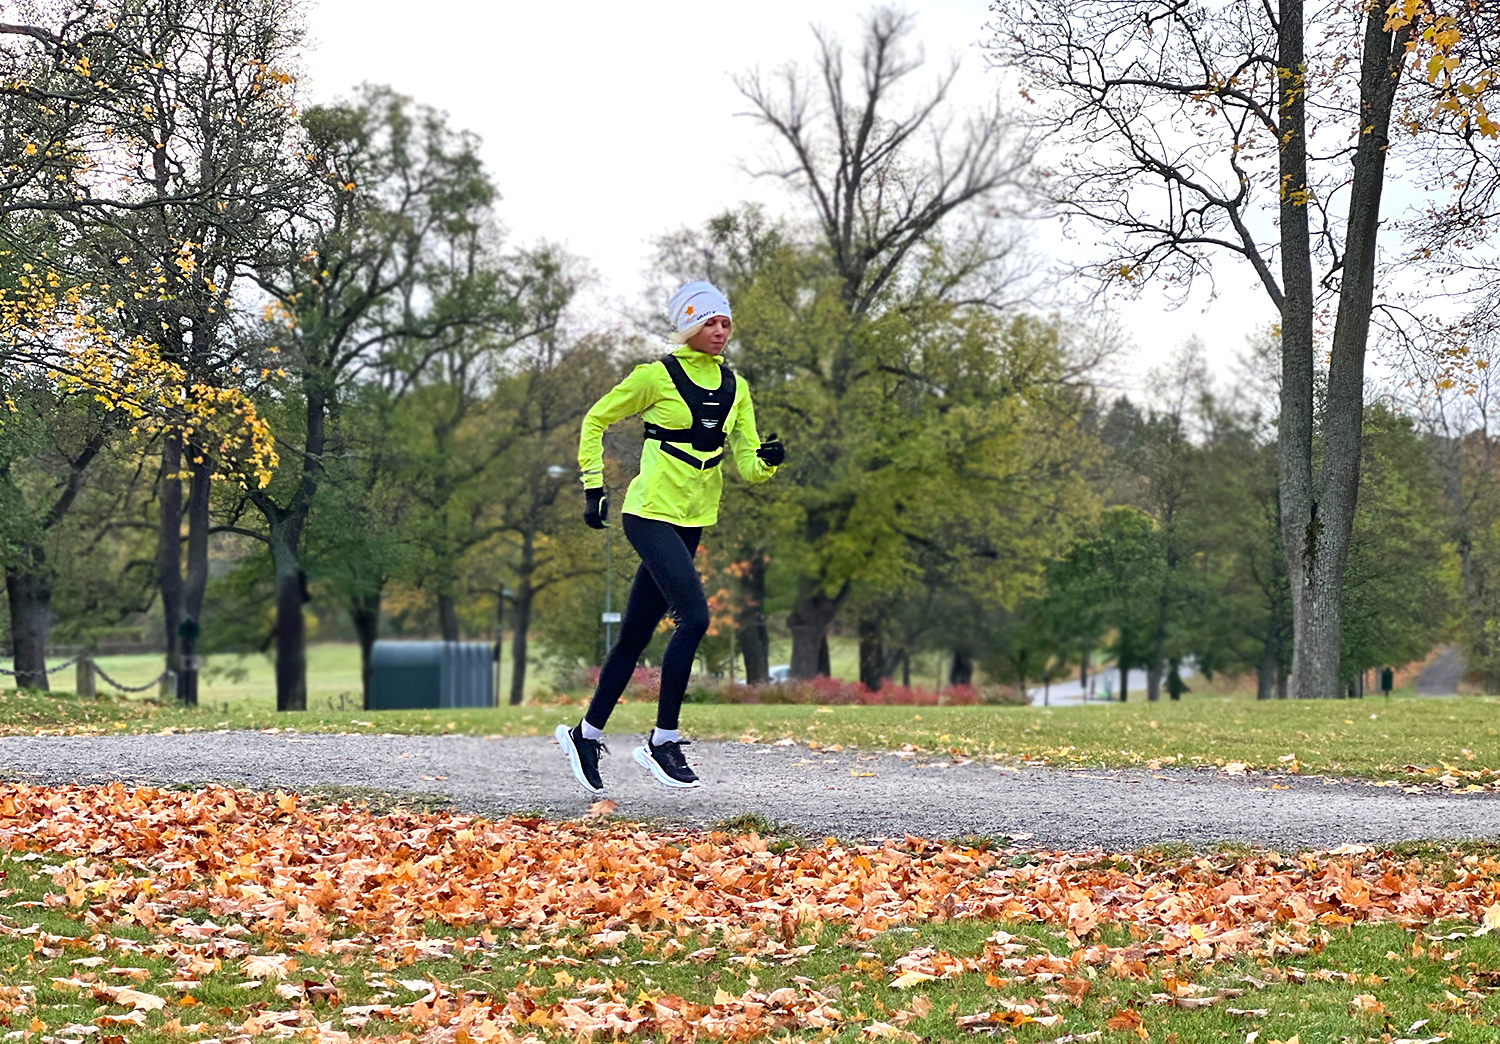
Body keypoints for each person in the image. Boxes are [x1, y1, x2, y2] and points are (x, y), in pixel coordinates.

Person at [556, 281, 784, 793]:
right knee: (695, 618)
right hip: (649, 513)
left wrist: (767, 461)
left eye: (725, 322)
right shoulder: (654, 377)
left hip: (692, 519)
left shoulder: (737, 388)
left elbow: (748, 465)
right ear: (688, 326)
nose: (720, 331)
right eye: (709, 322)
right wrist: (594, 486)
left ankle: (585, 735)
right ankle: (663, 741)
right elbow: (595, 420)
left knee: (635, 636)